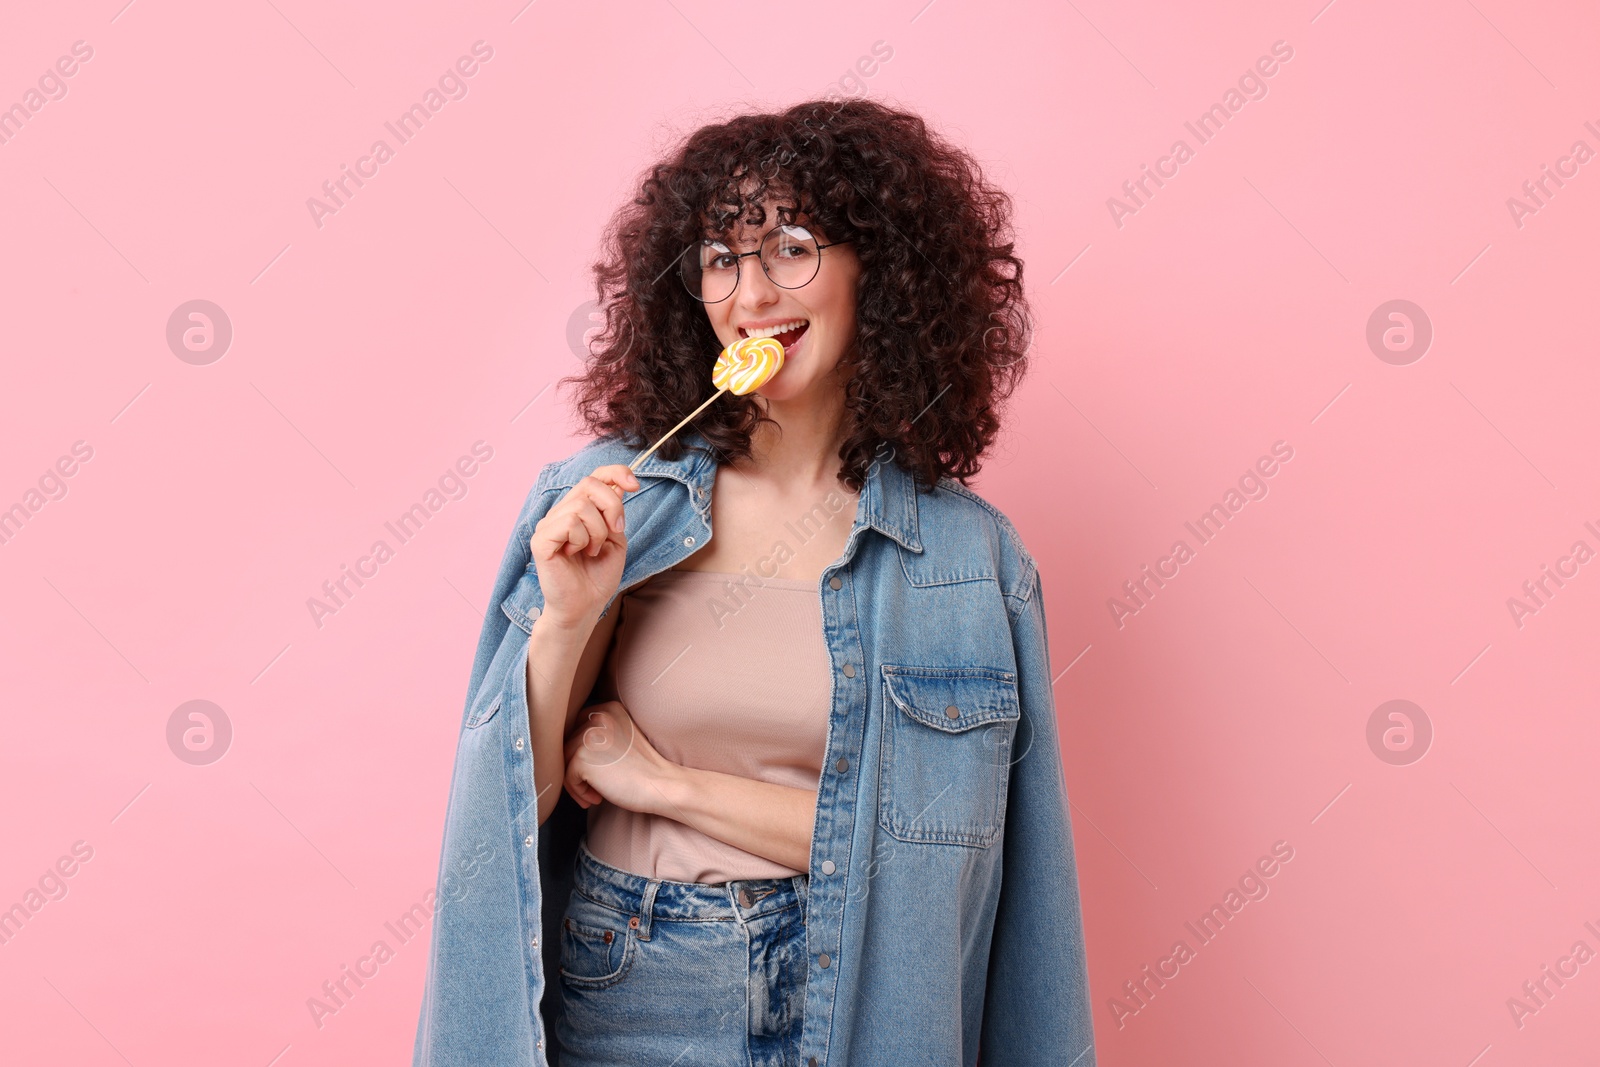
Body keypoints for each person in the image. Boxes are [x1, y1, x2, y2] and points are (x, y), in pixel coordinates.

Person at [413, 98, 1095, 1067]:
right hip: (638, 978)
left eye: (791, 246)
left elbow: (932, 862)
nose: (750, 292)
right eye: (721, 258)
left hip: (874, 992)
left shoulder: (966, 561)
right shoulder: (612, 505)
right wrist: (570, 617)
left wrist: (661, 783)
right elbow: (509, 818)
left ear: (884, 274)